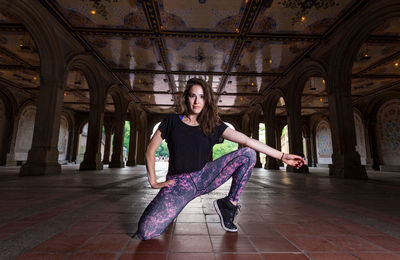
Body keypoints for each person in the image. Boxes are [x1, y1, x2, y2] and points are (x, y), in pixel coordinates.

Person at [136, 78, 305, 240]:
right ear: (186, 98)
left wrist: (282, 156)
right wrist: (154, 182)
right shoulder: (171, 121)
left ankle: (228, 205)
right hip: (179, 185)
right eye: (193, 95)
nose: (197, 101)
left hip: (204, 177)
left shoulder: (212, 125)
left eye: (202, 96)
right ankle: (173, 208)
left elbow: (247, 141)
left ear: (207, 100)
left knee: (248, 153)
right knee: (146, 231)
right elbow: (150, 150)